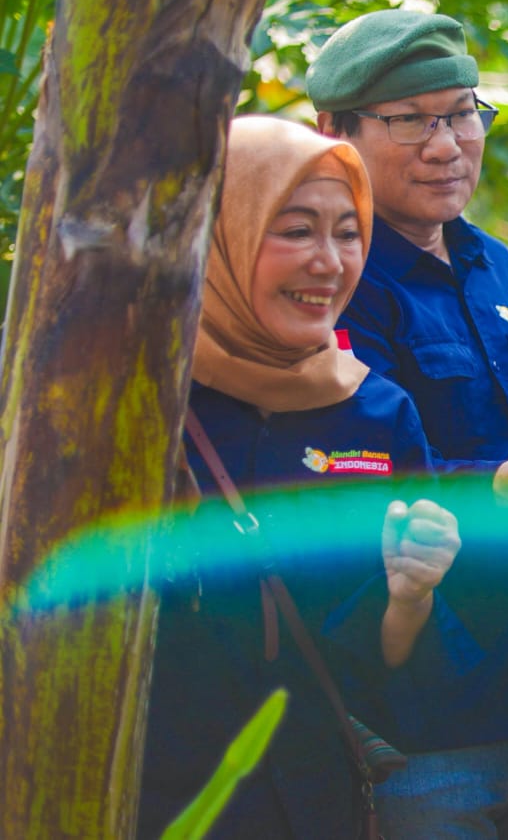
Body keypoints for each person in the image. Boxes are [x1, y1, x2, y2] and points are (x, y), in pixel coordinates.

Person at [307, 10, 508, 838]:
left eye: (461, 112)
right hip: (421, 738)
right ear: (335, 133)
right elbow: (350, 483)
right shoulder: (336, 284)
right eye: (410, 120)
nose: (446, 144)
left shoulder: (500, 269)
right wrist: (506, 490)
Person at [139, 116, 461, 838]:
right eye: (294, 229)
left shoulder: (379, 412)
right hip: (152, 801)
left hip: (316, 804)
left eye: (348, 233)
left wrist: (412, 596)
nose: (329, 261)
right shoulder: (145, 400)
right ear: (224, 233)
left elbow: (400, 666)